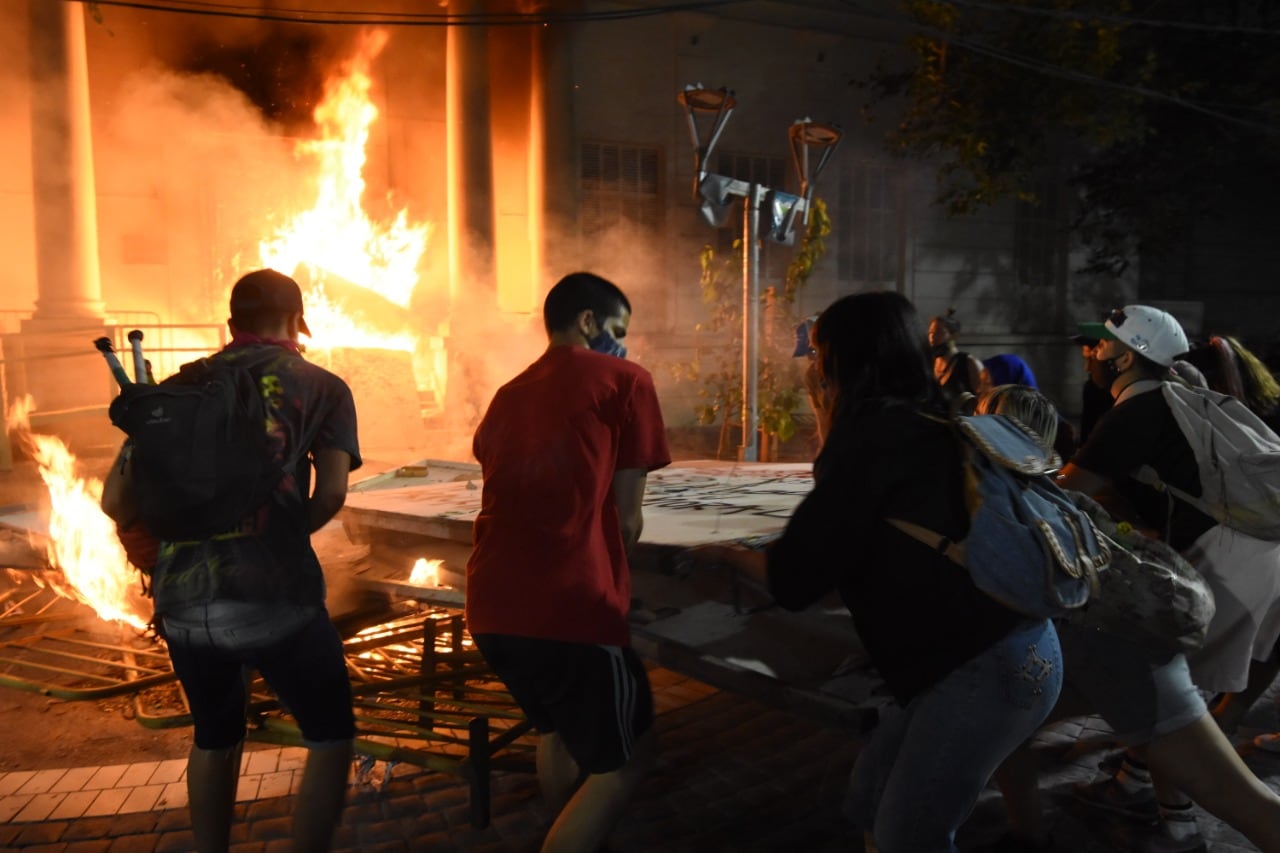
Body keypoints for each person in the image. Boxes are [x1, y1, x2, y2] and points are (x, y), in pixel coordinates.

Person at [694, 291, 1062, 853]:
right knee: (873, 794)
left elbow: (796, 582)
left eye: (818, 354)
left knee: (907, 835)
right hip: (1023, 649)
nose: (812, 368)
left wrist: (720, 550)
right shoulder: (935, 417)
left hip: (982, 672)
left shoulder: (869, 439)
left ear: (843, 361)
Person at [991, 305, 1280, 852]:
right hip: (1259, 551)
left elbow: (1067, 492)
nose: (1089, 353)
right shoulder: (1179, 397)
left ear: (1128, 356)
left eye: (1099, 346)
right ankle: (1138, 782)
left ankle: (1175, 821)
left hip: (1231, 557)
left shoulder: (1136, 411)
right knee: (1178, 690)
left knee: (1171, 693)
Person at [101, 268, 361, 853]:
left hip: (184, 605)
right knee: (331, 735)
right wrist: (287, 536)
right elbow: (333, 494)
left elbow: (115, 501)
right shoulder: (321, 386)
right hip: (278, 598)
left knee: (215, 736)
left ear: (230, 325)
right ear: (299, 322)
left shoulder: (173, 389)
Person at [465, 271, 671, 853]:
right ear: (587, 321)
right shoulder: (625, 380)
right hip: (570, 608)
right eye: (617, 329)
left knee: (554, 729)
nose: (624, 343)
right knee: (628, 760)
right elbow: (628, 519)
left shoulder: (507, 395)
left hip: (491, 606)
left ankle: (563, 826)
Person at [928, 307, 991, 408]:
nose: (932, 338)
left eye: (939, 332)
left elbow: (986, 400)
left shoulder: (968, 363)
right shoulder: (930, 363)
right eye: (931, 332)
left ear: (954, 336)